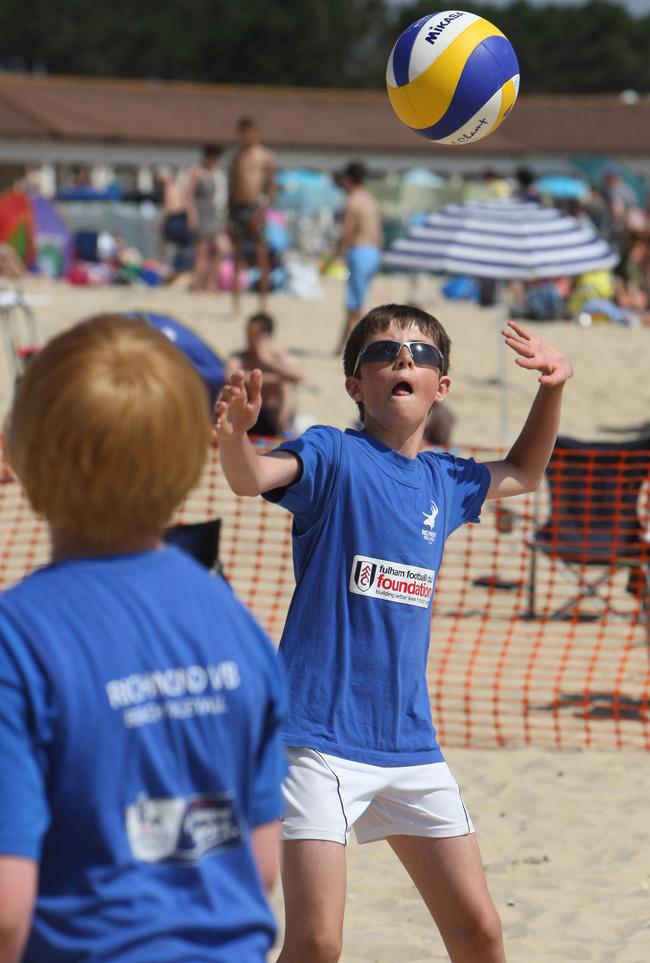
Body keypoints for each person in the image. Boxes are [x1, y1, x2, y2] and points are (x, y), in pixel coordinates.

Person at [215, 303, 573, 963]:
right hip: (314, 737)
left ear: (443, 387)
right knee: (318, 941)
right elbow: (251, 478)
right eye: (382, 353)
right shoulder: (332, 451)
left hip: (409, 745)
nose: (404, 359)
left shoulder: (444, 479)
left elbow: (523, 471)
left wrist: (552, 387)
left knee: (482, 932)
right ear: (356, 385)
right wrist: (238, 436)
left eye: (423, 354)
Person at [0, 314, 287, 963]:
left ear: (17, 455)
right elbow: (261, 860)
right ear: (192, 463)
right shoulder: (237, 622)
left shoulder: (16, 640)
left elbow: (7, 908)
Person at [226, 312, 304, 437]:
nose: (249, 338)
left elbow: (299, 375)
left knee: (286, 386)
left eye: (255, 334)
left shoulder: (277, 355)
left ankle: (283, 428)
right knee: (228, 390)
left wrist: (266, 361)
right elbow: (229, 376)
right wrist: (271, 378)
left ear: (266, 336)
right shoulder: (241, 357)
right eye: (248, 333)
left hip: (273, 414)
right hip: (247, 413)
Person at [334, 160, 384, 353]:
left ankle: (359, 347)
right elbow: (378, 233)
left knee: (354, 305)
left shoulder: (351, 201)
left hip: (359, 251)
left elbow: (347, 232)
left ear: (348, 179)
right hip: (373, 253)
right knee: (356, 302)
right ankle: (341, 345)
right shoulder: (370, 199)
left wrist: (336, 254)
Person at [228, 117, 277, 314]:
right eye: (241, 133)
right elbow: (232, 186)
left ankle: (262, 305)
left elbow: (271, 186)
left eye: (247, 133)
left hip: (255, 206)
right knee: (237, 257)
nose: (244, 137)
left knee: (261, 256)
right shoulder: (236, 157)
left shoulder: (264, 156)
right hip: (237, 208)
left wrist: (262, 209)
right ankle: (236, 305)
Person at [186, 144, 228, 291]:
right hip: (201, 215)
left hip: (215, 216)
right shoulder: (197, 172)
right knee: (201, 254)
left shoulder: (218, 174)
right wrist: (192, 214)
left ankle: (209, 282)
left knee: (221, 249)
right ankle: (198, 285)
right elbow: (189, 195)